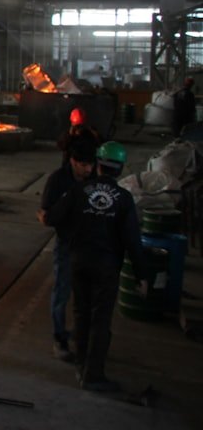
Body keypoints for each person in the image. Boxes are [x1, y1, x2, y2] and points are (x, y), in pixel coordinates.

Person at [47, 141, 149, 392]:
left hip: (78, 262)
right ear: (120, 168)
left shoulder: (78, 191)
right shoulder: (124, 199)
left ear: (98, 165)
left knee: (81, 314)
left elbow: (52, 217)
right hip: (106, 266)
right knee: (100, 320)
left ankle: (81, 366)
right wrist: (142, 275)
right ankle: (93, 375)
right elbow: (132, 240)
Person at [37, 138, 96, 361]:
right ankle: (59, 338)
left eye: (90, 164)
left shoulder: (95, 179)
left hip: (90, 244)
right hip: (67, 244)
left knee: (86, 293)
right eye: (82, 165)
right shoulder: (58, 180)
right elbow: (46, 213)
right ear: (72, 161)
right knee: (62, 291)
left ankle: (81, 334)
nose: (87, 169)